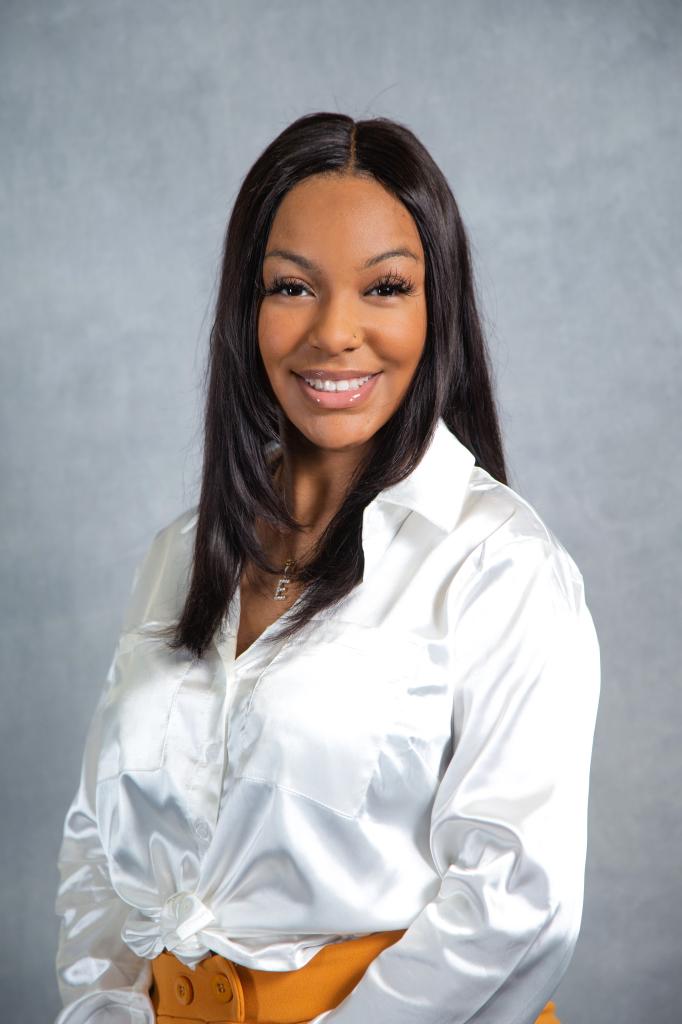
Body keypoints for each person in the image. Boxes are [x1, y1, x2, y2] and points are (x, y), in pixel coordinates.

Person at [54, 112, 601, 1024]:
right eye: (293, 287)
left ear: (436, 308)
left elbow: (515, 902)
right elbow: (95, 854)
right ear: (248, 308)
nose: (335, 332)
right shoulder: (179, 556)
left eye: (385, 287)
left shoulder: (499, 566)